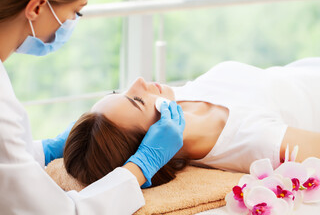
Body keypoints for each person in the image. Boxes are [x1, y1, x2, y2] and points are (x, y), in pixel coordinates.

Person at [0, 0, 185, 214]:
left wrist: (45, 150)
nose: (139, 81)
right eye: (76, 12)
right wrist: (141, 166)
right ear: (37, 8)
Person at [64, 57, 320, 187]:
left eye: (119, 92)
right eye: (137, 101)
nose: (139, 82)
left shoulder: (174, 100)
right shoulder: (252, 142)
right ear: (155, 136)